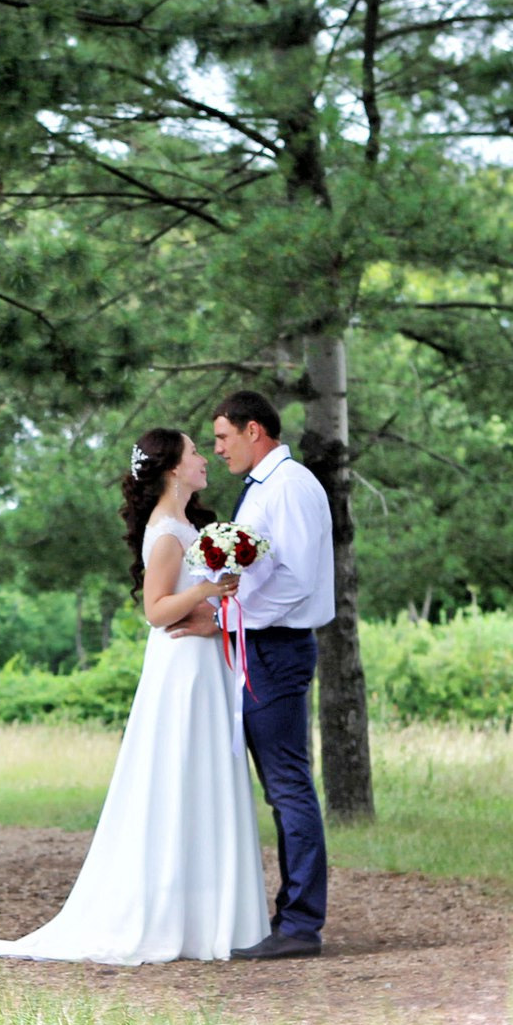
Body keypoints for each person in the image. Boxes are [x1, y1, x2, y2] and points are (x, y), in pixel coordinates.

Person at [0, 428, 269, 965]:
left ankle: (207, 917)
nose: (205, 458)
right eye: (195, 451)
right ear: (173, 468)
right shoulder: (167, 533)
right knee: (180, 775)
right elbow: (156, 611)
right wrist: (207, 590)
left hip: (203, 661)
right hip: (180, 665)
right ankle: (180, 917)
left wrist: (218, 598)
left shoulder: (188, 525)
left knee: (202, 775)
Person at [177, 390, 332, 960]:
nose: (218, 448)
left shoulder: (289, 486)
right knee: (277, 785)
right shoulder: (265, 487)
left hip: (276, 649)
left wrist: (222, 618)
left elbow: (296, 580)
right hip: (258, 645)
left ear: (253, 431)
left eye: (223, 437)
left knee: (288, 785)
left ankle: (301, 924)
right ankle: (282, 915)